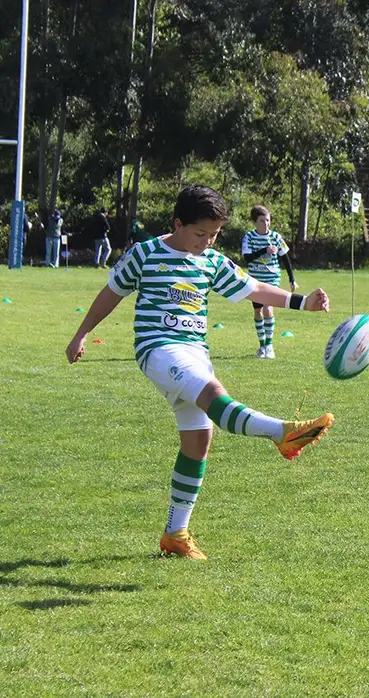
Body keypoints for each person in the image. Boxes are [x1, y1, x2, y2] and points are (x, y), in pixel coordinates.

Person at [64, 185, 335, 561]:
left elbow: (252, 287)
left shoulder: (209, 260)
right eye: (201, 233)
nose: (207, 242)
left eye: (215, 234)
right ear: (178, 223)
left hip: (195, 352)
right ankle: (282, 433)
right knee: (213, 393)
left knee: (198, 442)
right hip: (158, 349)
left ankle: (176, 534)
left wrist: (301, 302)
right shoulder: (144, 254)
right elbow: (111, 293)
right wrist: (82, 334)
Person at [241, 206, 296, 359]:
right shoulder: (249, 237)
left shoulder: (276, 237)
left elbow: (285, 258)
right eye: (262, 221)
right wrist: (263, 251)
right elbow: (247, 258)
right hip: (255, 280)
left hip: (272, 278)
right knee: (258, 311)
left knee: (267, 308)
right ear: (254, 222)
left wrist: (292, 279)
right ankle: (262, 346)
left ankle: (269, 346)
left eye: (268, 220)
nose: (266, 224)